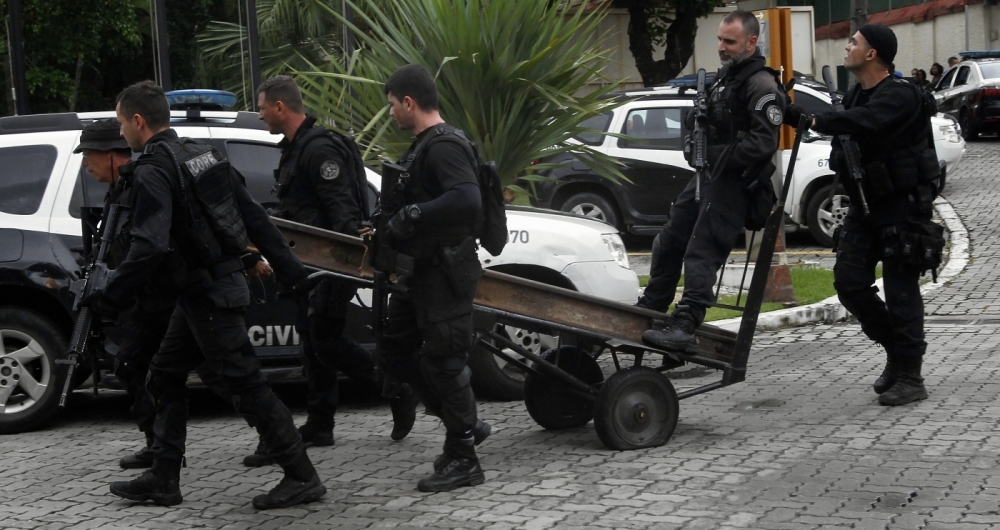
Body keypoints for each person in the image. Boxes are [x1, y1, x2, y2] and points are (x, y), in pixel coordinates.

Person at [100, 81, 325, 509]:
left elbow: (149, 245)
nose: (121, 131)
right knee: (165, 374)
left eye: (120, 121)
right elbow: (254, 216)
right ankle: (164, 477)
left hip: (209, 296)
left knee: (248, 386)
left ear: (137, 120)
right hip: (203, 292)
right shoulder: (200, 155)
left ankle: (301, 475)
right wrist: (292, 271)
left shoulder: (152, 168)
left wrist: (111, 294)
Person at [241, 75, 419, 469]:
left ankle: (395, 389)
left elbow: (342, 213)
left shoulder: (319, 149)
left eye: (262, 107)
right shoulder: (295, 148)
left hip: (332, 261)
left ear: (281, 108)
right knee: (312, 342)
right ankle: (321, 423)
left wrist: (342, 263)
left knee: (325, 339)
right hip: (306, 260)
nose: (259, 114)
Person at [77, 120, 271, 472]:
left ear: (108, 155)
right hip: (156, 295)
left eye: (88, 156)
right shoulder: (120, 190)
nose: (85, 165)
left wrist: (249, 255)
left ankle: (270, 435)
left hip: (176, 293)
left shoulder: (147, 178)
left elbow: (200, 226)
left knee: (217, 374)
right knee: (138, 367)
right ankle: (160, 447)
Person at [784, 24, 941, 406]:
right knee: (849, 283)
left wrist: (814, 119)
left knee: (901, 291)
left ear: (872, 54)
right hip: (864, 207)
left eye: (854, 42)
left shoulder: (900, 96)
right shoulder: (855, 94)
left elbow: (866, 122)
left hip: (901, 209)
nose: (847, 46)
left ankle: (911, 375)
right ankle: (896, 352)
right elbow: (851, 131)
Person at [639, 10, 785, 351]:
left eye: (729, 42)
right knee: (671, 238)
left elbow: (763, 143)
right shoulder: (725, 78)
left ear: (751, 42)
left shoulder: (760, 83)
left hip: (737, 183)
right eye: (719, 39)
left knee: (702, 249)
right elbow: (697, 118)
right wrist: (693, 143)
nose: (721, 47)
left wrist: (715, 155)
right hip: (709, 176)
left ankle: (687, 323)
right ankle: (653, 307)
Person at [377, 64, 491, 492]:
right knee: (395, 352)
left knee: (445, 361)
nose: (391, 114)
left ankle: (464, 455)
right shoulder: (423, 145)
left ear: (409, 102)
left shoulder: (444, 146)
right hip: (420, 273)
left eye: (392, 106)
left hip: (444, 273)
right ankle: (463, 423)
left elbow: (466, 198)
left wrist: (416, 213)